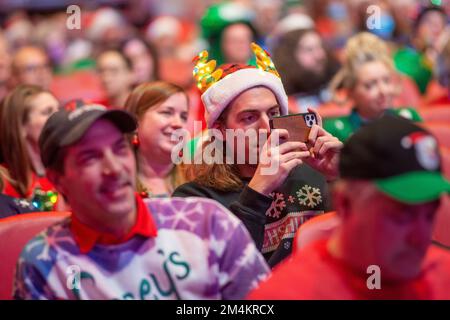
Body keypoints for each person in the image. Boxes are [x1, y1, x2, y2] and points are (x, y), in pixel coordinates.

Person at [13, 103, 269, 300]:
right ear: (58, 180)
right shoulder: (43, 262)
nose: (114, 168)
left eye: (119, 149)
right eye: (90, 158)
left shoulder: (207, 223)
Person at [174, 43, 343, 267]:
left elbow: (364, 243)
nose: (266, 128)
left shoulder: (315, 171)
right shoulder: (196, 198)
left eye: (273, 113)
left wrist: (342, 179)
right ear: (221, 131)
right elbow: (216, 268)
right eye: (249, 118)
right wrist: (258, 190)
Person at [248, 114, 450, 299]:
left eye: (430, 215)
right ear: (344, 204)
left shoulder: (443, 273)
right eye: (401, 216)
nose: (422, 238)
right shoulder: (286, 293)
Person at [324, 32, 422, 143]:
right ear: (350, 91)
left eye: (386, 81)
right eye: (370, 85)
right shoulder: (337, 131)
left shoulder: (408, 118)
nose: (383, 91)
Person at [124, 81, 188, 197]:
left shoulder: (196, 180)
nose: (178, 124)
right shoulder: (118, 183)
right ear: (136, 122)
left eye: (183, 117)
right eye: (167, 113)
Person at [0, 85, 59, 210]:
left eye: (59, 109)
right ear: (21, 126)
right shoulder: (4, 182)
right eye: (47, 112)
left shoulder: (65, 169)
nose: (59, 117)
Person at [272, 27, 340, 112]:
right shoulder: (279, 99)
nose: (320, 55)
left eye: (320, 47)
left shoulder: (339, 84)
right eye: (309, 50)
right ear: (290, 56)